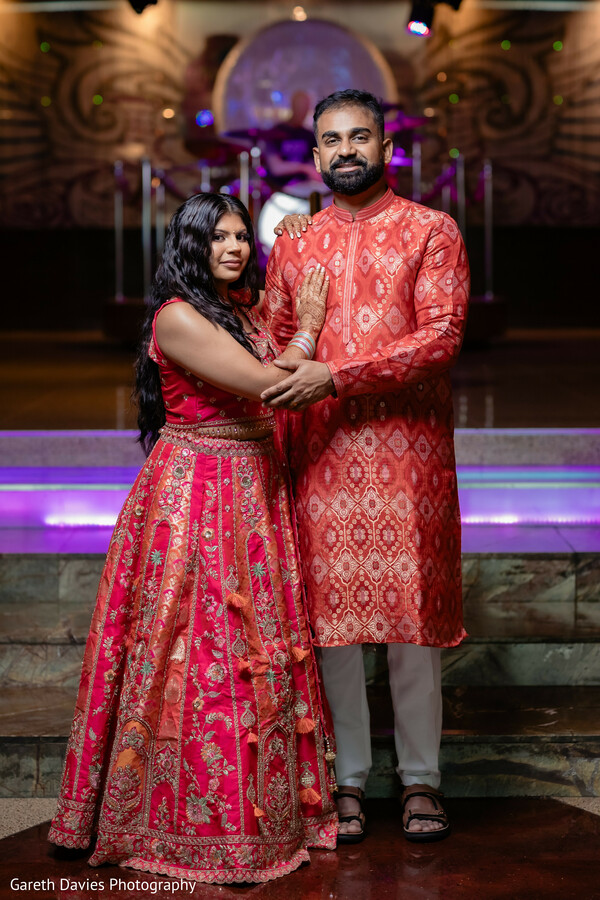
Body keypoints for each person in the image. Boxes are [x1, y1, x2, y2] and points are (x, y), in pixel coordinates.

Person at [48, 192, 338, 883]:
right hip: (197, 494)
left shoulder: (237, 308)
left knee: (254, 648)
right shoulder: (177, 317)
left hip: (253, 487)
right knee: (196, 649)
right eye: (217, 238)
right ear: (190, 246)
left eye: (240, 236)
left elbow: (280, 305)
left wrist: (295, 233)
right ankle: (180, 823)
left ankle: (268, 816)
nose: (233, 248)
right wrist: (309, 332)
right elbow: (268, 384)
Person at [262, 89, 470, 844]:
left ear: (385, 147)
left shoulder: (431, 230)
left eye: (359, 137)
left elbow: (440, 337)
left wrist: (337, 376)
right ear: (316, 155)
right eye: (331, 140)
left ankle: (421, 781)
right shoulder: (294, 243)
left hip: (407, 455)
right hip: (319, 453)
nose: (345, 150)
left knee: (413, 625)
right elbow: (273, 340)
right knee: (333, 628)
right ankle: (346, 780)